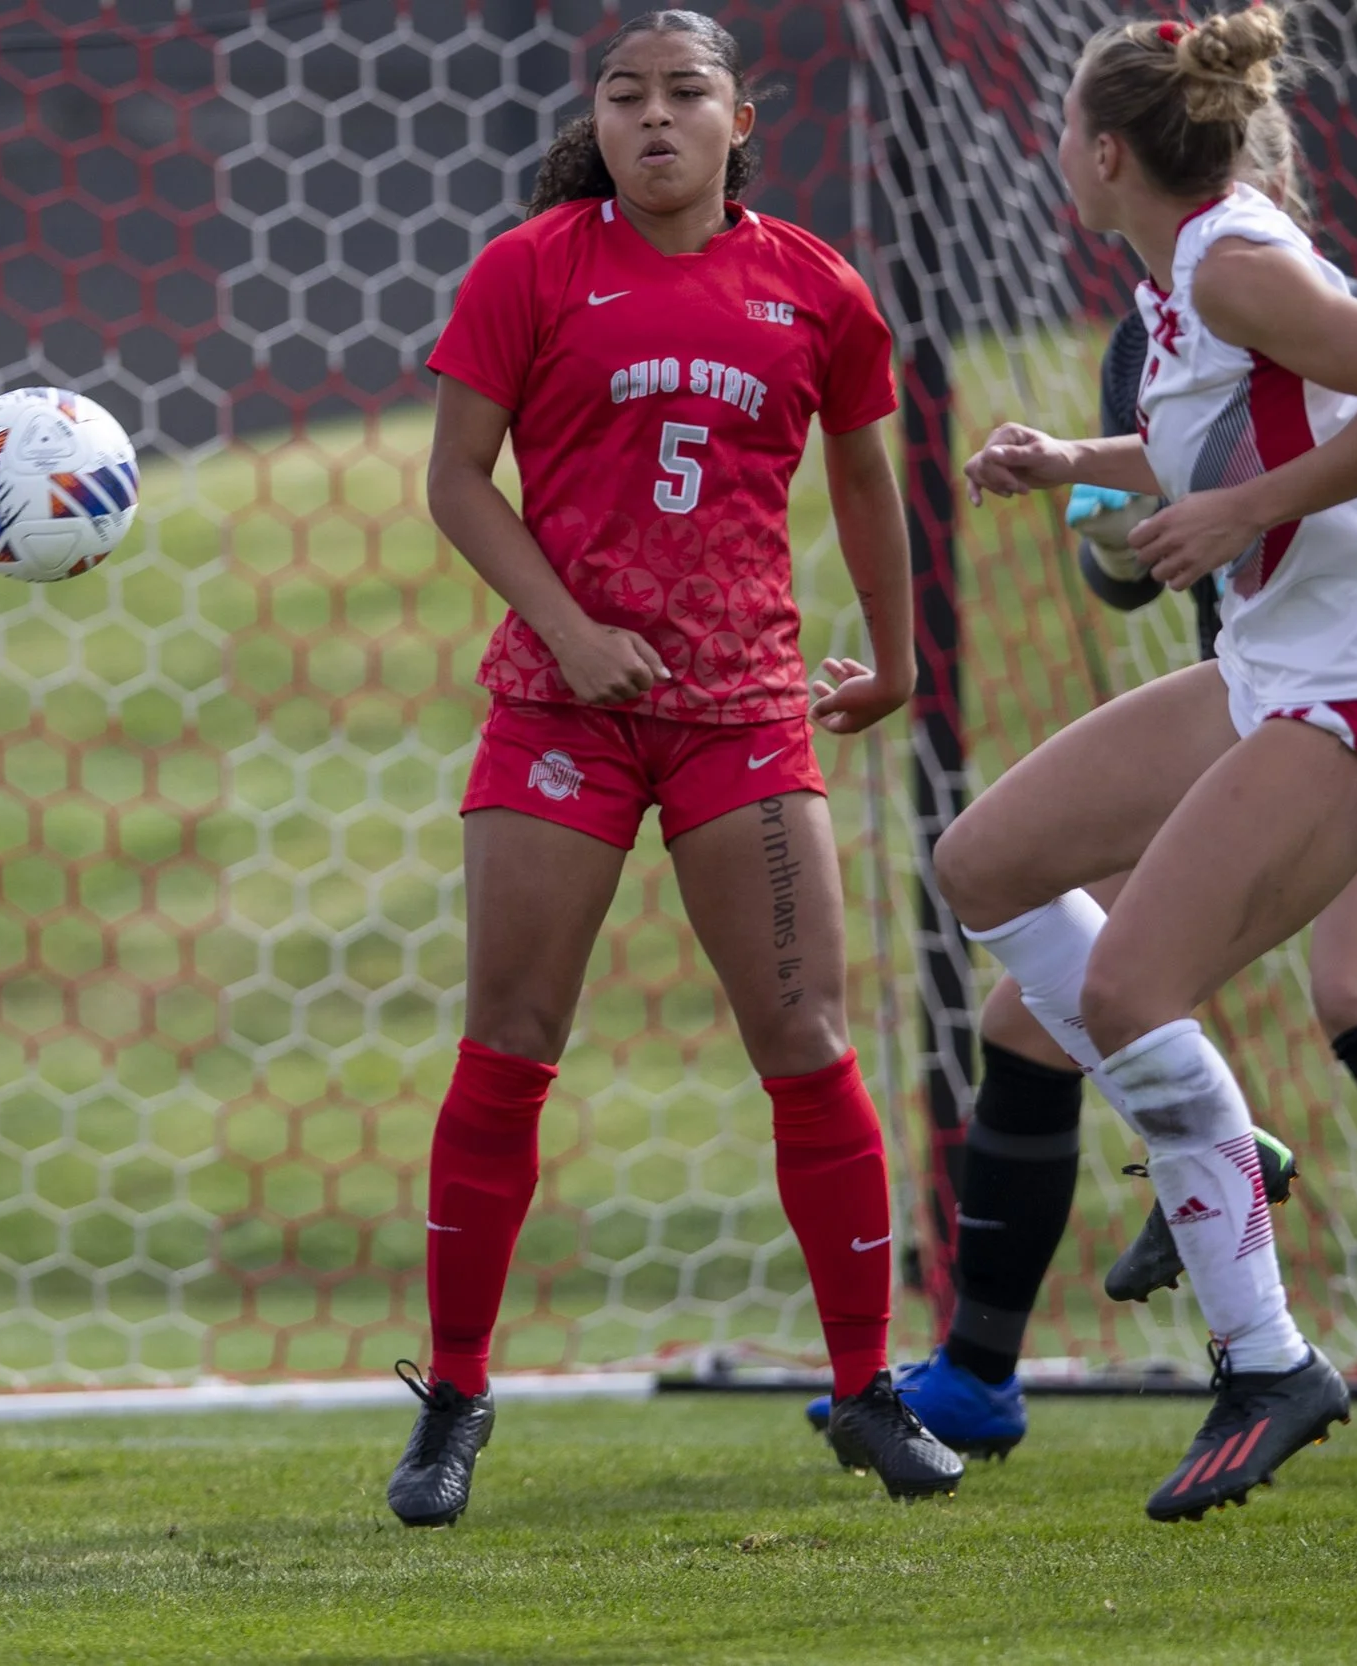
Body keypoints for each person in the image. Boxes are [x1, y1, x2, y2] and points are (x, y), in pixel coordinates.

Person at [805, 100, 1357, 1457]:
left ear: (1120, 154)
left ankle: (1261, 1337)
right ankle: (999, 1360)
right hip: (1266, 686)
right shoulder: (1168, 303)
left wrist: (1252, 511)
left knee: (1322, 995)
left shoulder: (1261, 270)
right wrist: (1080, 478)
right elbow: (1153, 527)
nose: (1047, 153)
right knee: (1001, 905)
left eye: (1060, 129)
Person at [387, 6, 961, 1527]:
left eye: (685, 92)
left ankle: (865, 1389)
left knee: (807, 1035)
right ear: (601, 117)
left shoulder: (816, 289)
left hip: (747, 713)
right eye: (626, 93)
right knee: (510, 1037)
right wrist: (570, 632)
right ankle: (453, 1397)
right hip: (559, 711)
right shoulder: (530, 267)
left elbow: (865, 475)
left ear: (736, 119)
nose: (654, 117)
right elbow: (455, 479)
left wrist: (900, 665)